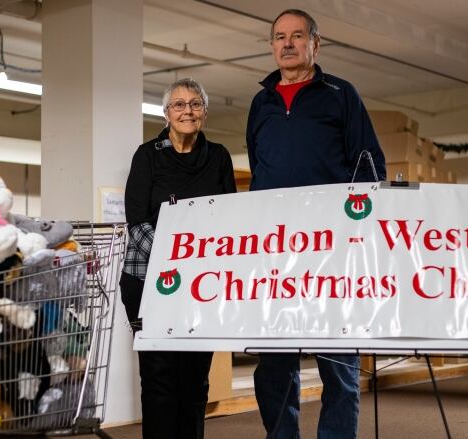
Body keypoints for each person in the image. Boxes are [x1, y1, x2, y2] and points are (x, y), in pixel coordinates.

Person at [246, 9, 386, 439]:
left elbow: (370, 167)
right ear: (272, 46)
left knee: (339, 367)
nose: (287, 43)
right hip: (275, 256)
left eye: (297, 35)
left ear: (315, 44)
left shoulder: (341, 94)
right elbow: (260, 169)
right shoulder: (261, 103)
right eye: (280, 37)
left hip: (333, 254)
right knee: (273, 369)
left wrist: (356, 232)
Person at [119, 77, 237, 439]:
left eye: (195, 104)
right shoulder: (147, 155)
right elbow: (136, 222)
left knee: (195, 382)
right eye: (179, 104)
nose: (188, 111)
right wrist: (179, 258)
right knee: (159, 381)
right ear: (166, 112)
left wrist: (203, 263)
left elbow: (230, 217)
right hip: (150, 283)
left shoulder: (217, 156)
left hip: (201, 286)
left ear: (204, 111)